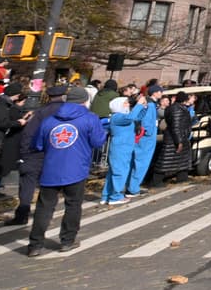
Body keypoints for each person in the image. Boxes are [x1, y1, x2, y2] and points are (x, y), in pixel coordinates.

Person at [27, 85, 106, 255]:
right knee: (73, 205)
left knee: (44, 207)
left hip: (51, 168)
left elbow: (37, 144)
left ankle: (35, 244)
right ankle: (67, 240)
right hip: (76, 168)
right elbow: (98, 142)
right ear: (85, 101)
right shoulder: (90, 118)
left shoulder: (49, 120)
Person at [7, 85, 67, 226]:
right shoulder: (68, 111)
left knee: (28, 184)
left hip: (36, 152)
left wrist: (25, 153)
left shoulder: (41, 112)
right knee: (50, 187)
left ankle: (22, 215)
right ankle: (46, 215)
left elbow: (29, 133)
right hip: (57, 152)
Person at [99, 97, 136, 205]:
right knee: (120, 172)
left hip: (122, 146)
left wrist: (143, 107)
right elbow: (131, 117)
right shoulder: (118, 117)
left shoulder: (119, 117)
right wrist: (138, 105)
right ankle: (115, 196)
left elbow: (135, 116)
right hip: (121, 147)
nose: (127, 105)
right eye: (125, 103)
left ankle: (106, 195)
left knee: (113, 172)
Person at [126, 85, 162, 197]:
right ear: (155, 93)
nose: (161, 93)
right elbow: (147, 122)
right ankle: (133, 188)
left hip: (143, 136)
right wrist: (149, 133)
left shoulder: (148, 103)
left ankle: (131, 186)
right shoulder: (151, 105)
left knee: (136, 162)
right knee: (141, 163)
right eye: (160, 91)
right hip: (146, 138)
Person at [152, 90, 192, 187]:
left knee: (182, 160)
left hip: (179, 137)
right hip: (175, 138)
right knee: (166, 160)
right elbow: (176, 126)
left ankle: (182, 178)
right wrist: (179, 141)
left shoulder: (176, 108)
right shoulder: (177, 109)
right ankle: (156, 181)